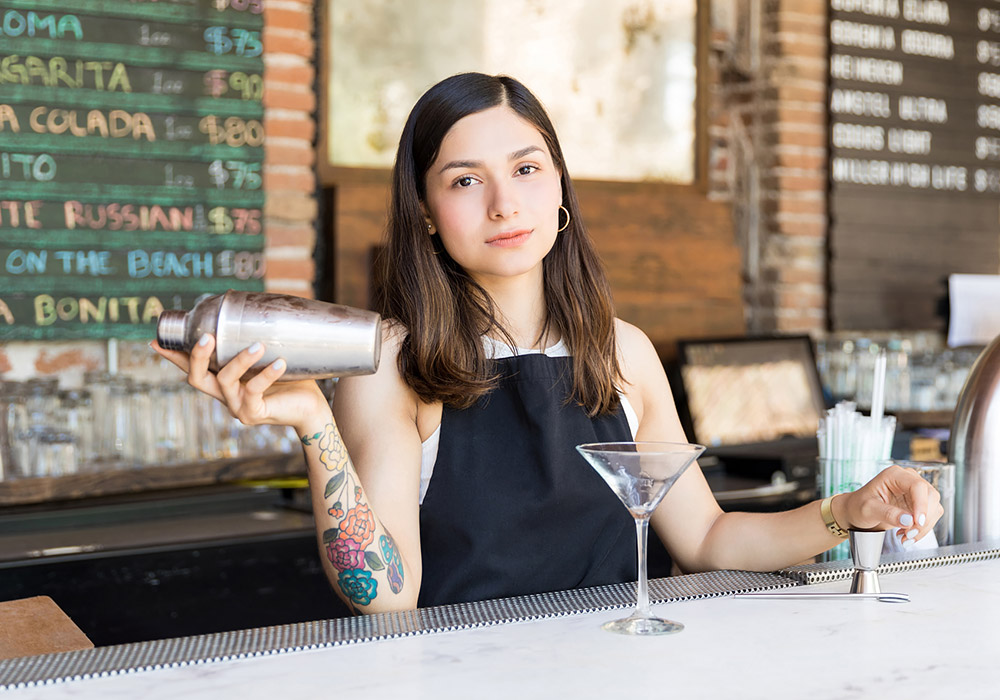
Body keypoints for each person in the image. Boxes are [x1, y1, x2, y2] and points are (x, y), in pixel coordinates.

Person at [154, 72, 943, 615]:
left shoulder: (621, 351)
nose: (504, 202)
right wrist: (313, 425)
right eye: (464, 179)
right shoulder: (391, 363)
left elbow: (706, 539)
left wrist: (847, 511)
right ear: (425, 212)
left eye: (527, 168)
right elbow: (384, 596)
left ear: (560, 183)